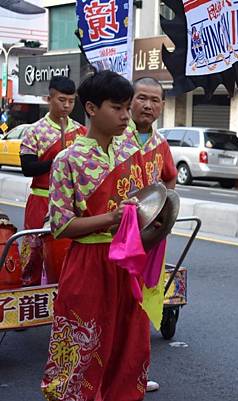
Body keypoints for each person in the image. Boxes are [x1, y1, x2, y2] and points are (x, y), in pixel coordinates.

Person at [41, 71, 149, 401]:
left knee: (128, 345)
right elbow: (60, 225)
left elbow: (145, 205)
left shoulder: (130, 154)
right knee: (80, 348)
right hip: (88, 263)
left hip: (127, 263)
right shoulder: (67, 160)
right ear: (90, 108)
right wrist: (110, 219)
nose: (125, 116)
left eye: (127, 108)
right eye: (117, 108)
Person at [126, 76, 178, 394]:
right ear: (129, 101)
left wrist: (161, 212)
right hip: (118, 235)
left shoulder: (161, 144)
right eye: (141, 98)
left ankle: (136, 374)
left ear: (162, 105)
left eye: (154, 100)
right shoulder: (116, 138)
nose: (148, 105)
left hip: (152, 238)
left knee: (144, 304)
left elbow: (170, 181)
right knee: (117, 303)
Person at [19, 76, 86, 286]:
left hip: (70, 203)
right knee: (33, 255)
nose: (67, 106)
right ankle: (31, 300)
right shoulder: (35, 131)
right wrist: (59, 160)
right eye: (61, 100)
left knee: (69, 253)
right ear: (49, 98)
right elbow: (27, 168)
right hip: (41, 201)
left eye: (71, 101)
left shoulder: (81, 132)